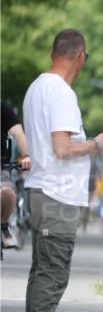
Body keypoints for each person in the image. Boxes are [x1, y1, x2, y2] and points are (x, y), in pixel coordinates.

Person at [23, 29, 103, 312]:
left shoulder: (36, 88)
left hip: (43, 190)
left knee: (42, 270)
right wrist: (96, 145)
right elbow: (62, 148)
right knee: (53, 272)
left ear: (52, 52)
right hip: (56, 194)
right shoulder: (61, 93)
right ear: (81, 57)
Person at [2, 100, 32, 248]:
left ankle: (4, 226)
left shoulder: (3, 109)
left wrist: (26, 155)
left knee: (8, 192)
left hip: (2, 169)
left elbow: (18, 132)